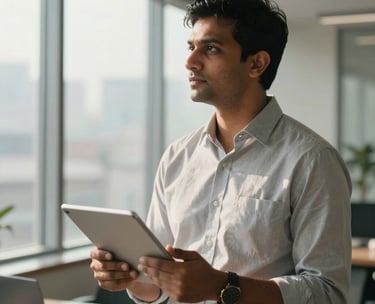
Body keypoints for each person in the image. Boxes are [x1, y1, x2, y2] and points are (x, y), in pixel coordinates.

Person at [90, 0, 352, 303]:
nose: (190, 61)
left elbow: (329, 293)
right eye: (191, 47)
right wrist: (131, 278)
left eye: (211, 48)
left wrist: (222, 287)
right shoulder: (177, 157)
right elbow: (159, 286)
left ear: (256, 64)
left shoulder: (312, 160)